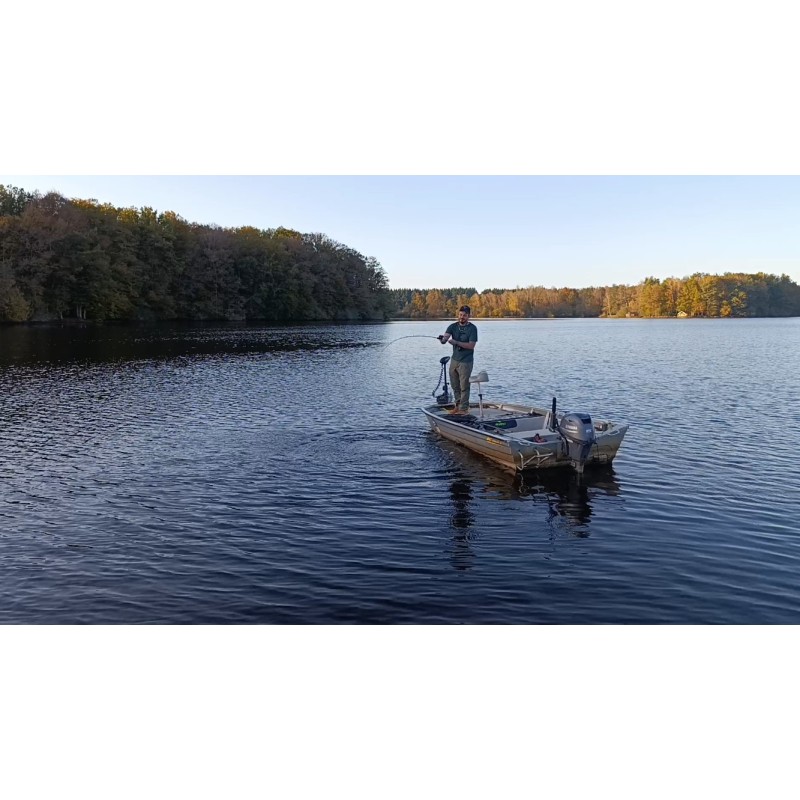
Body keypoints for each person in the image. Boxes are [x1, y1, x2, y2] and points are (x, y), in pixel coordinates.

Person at [440, 305, 478, 414]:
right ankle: (457, 405)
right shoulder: (452, 326)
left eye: (464, 315)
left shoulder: (472, 328)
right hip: (454, 360)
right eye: (460, 315)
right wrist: (443, 339)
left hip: (466, 361)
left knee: (464, 386)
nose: (462, 317)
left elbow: (471, 346)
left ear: (469, 316)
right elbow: (445, 339)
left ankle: (464, 409)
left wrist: (456, 342)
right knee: (455, 385)